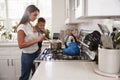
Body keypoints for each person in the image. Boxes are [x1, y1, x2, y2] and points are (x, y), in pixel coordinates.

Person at [17, 5, 45, 80]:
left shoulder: (30, 25)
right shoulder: (22, 27)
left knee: (36, 75)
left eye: (37, 15)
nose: (36, 17)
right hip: (27, 56)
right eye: (34, 15)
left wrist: (40, 37)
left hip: (36, 53)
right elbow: (21, 45)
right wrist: (37, 39)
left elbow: (34, 38)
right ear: (28, 13)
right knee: (24, 77)